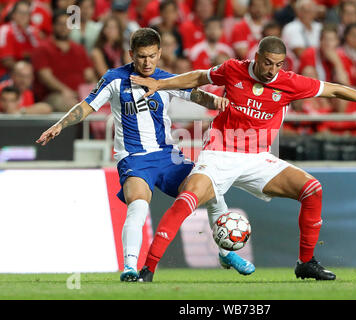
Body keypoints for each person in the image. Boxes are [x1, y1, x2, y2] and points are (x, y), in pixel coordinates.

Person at [130, 36, 356, 282]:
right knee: (187, 199)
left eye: (278, 64)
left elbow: (333, 89)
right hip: (220, 152)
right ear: (257, 57)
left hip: (258, 158)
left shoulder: (289, 83)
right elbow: (199, 77)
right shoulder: (233, 69)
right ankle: (148, 270)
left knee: (312, 189)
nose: (272, 70)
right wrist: (161, 83)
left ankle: (306, 263)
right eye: (268, 63)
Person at [36, 28, 254, 282]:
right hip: (135, 159)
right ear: (131, 54)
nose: (147, 62)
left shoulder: (164, 80)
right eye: (141, 56)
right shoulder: (115, 79)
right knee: (138, 206)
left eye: (151, 56)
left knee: (212, 191)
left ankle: (225, 253)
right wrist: (60, 124)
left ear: (160, 53)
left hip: (169, 157)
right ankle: (129, 267)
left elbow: (194, 93)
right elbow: (87, 105)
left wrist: (216, 102)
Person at [31, 9, 97, 112]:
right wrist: (65, 91)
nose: (64, 28)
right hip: (54, 95)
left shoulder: (79, 49)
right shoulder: (42, 48)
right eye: (60, 24)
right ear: (53, 26)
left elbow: (89, 75)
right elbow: (45, 77)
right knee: (72, 105)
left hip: (80, 95)